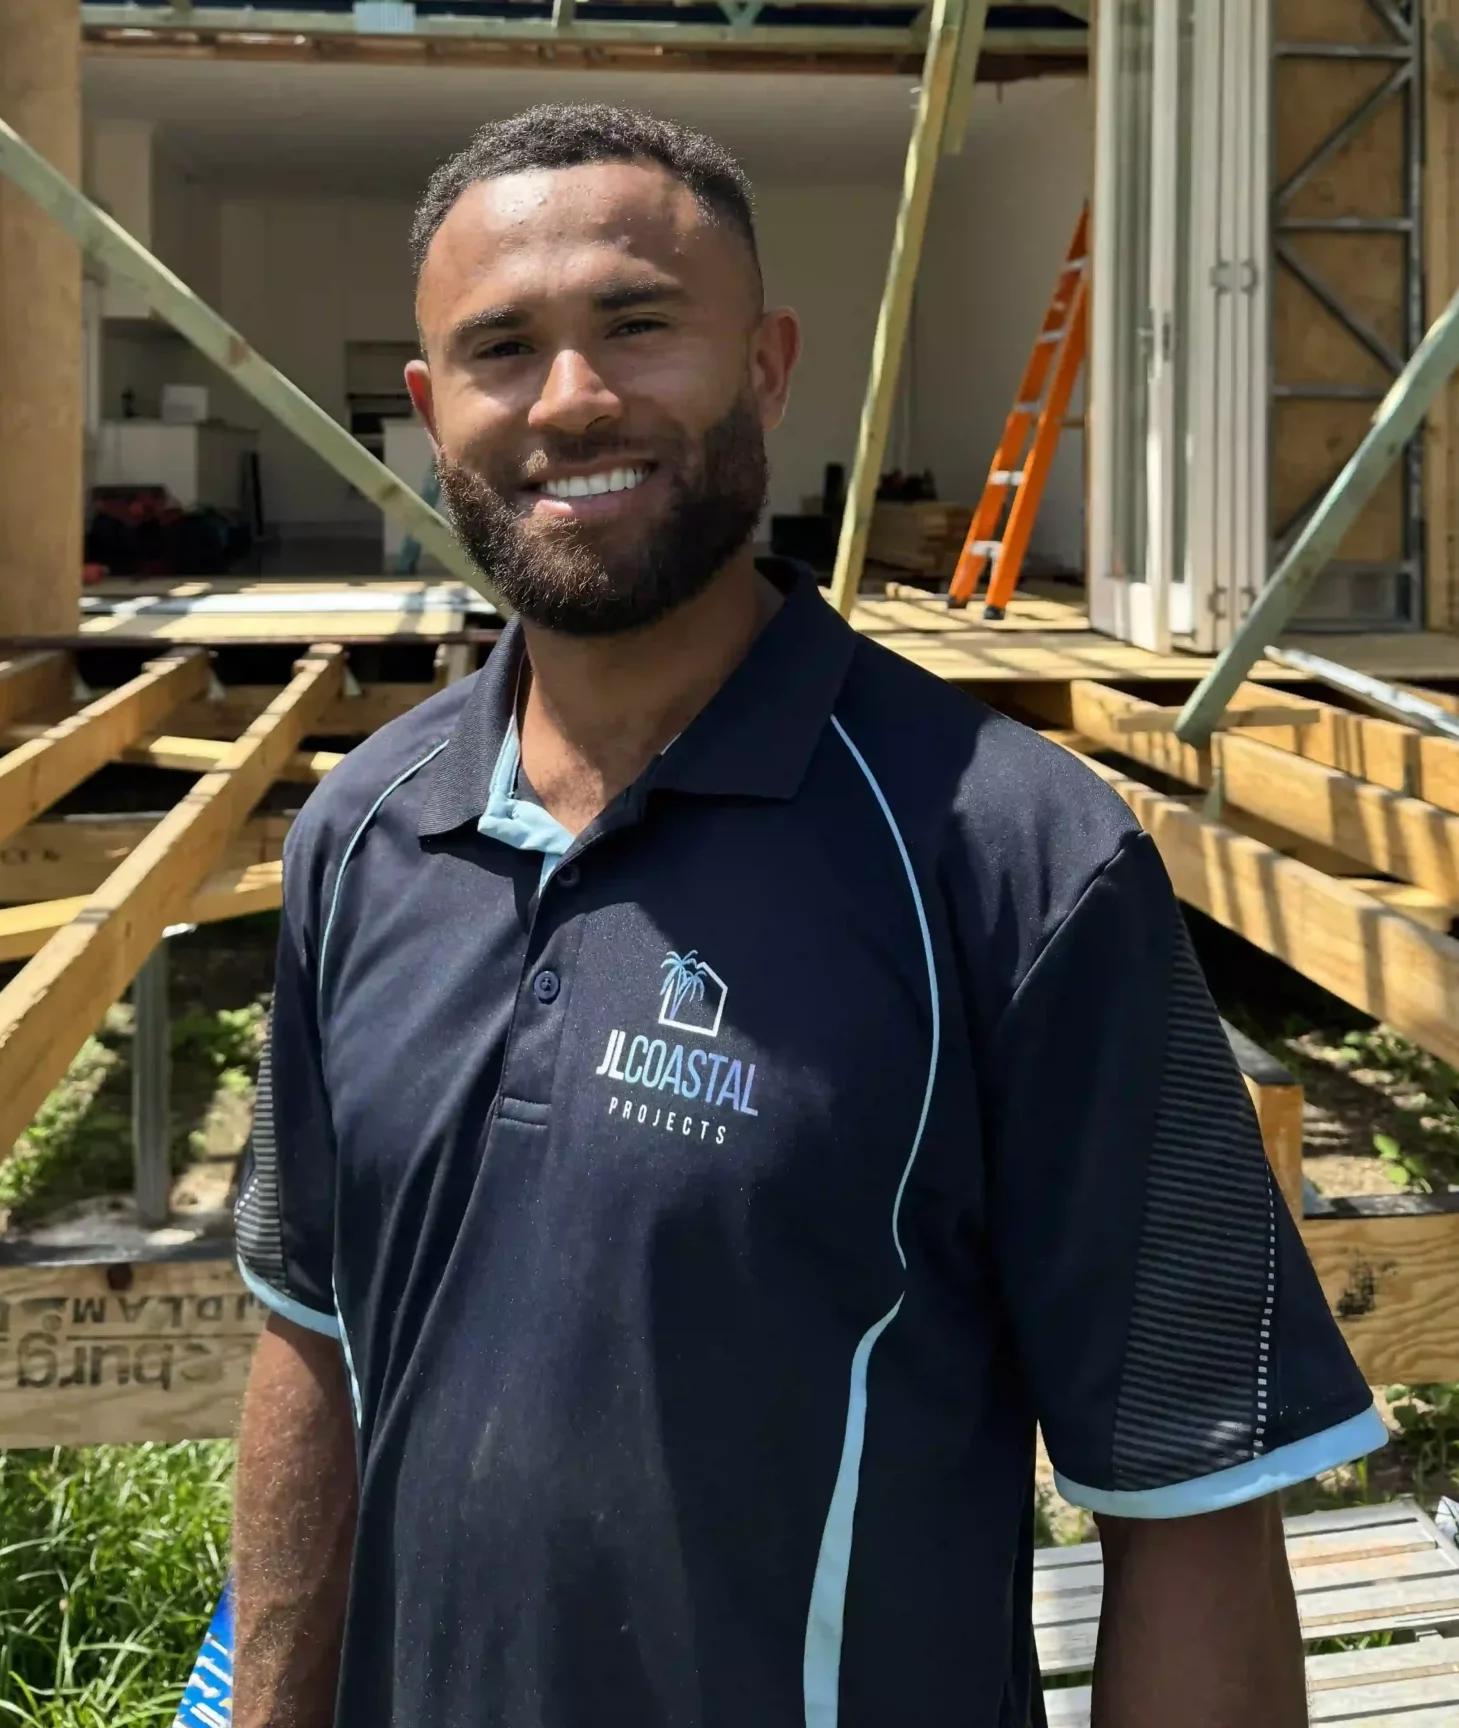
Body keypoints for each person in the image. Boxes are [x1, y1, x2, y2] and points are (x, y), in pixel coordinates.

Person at [230, 104, 1385, 1728]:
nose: (572, 400)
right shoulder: (362, 834)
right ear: (429, 411)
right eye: (503, 350)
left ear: (768, 365)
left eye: (638, 325)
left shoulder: (1013, 859)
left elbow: (1190, 1493)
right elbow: (312, 1345)